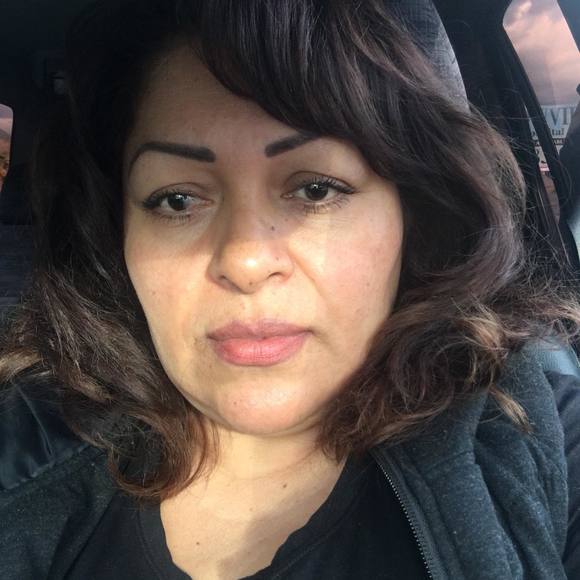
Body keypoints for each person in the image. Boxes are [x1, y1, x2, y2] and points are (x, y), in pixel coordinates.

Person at [1, 0, 580, 578]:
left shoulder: (542, 430)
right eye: (177, 200)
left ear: (413, 219)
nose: (245, 261)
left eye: (315, 190)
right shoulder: (27, 439)